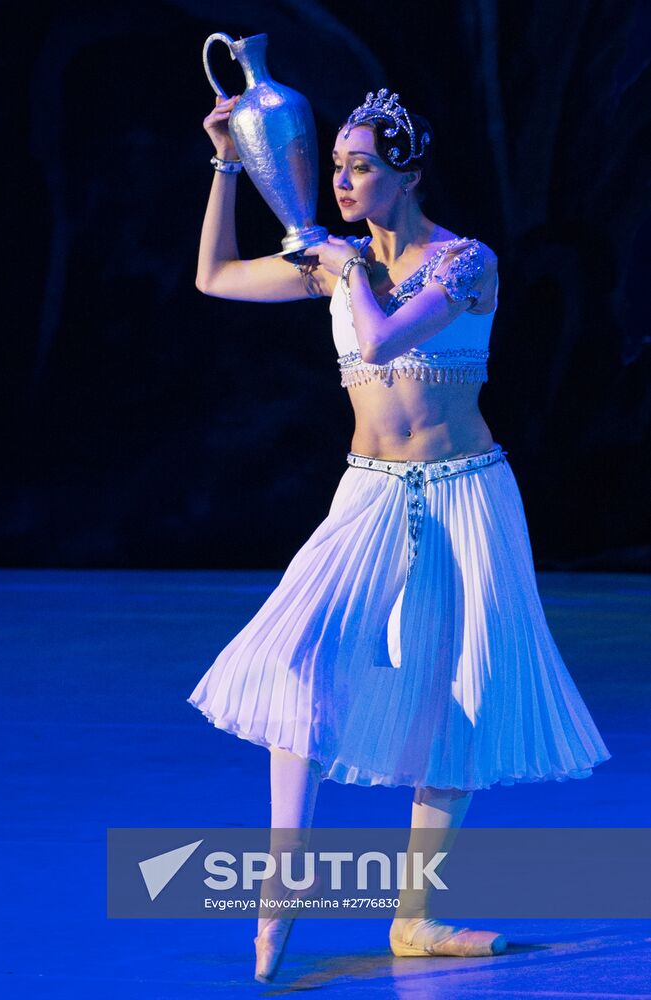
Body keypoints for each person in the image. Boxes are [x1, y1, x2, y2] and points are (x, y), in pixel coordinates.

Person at [187, 87, 611, 983]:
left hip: (466, 494)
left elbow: (380, 343)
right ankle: (286, 877)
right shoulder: (333, 263)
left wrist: (344, 269)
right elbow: (213, 278)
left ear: (407, 175)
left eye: (360, 167)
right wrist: (226, 162)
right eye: (336, 167)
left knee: (455, 695)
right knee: (298, 653)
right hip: (369, 492)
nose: (341, 183)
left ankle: (413, 918)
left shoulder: (464, 262)